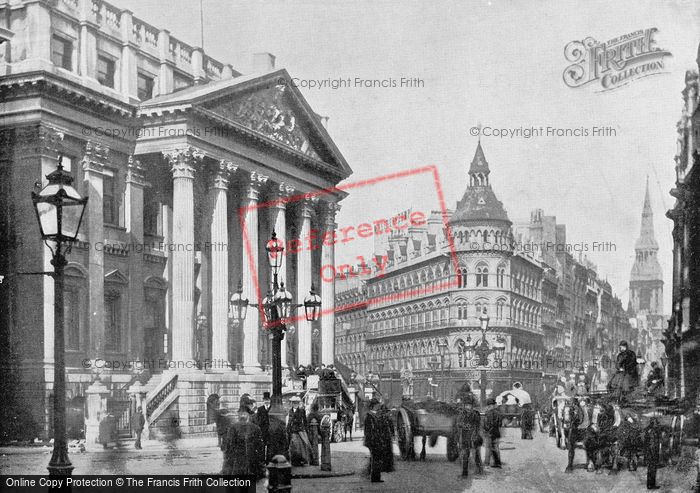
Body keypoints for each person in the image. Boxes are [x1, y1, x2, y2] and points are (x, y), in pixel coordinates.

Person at [222, 406, 265, 478]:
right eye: (240, 414)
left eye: (244, 414)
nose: (242, 416)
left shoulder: (255, 428)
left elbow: (260, 446)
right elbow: (229, 445)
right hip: (238, 460)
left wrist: (260, 461)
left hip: (252, 459)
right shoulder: (233, 428)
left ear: (248, 415)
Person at [458, 393, 483, 477]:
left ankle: (479, 470)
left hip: (473, 436)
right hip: (465, 437)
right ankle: (464, 473)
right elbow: (458, 423)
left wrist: (473, 430)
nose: (468, 407)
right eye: (466, 405)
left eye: (469, 405)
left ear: (472, 406)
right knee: (465, 455)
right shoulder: (462, 414)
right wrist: (463, 425)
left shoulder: (476, 414)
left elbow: (478, 425)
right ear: (464, 406)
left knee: (476, 454)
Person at [287, 395, 312, 466]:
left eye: (296, 403)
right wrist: (288, 429)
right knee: (294, 446)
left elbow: (304, 421)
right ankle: (295, 461)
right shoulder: (290, 411)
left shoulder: (302, 411)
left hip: (300, 430)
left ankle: (303, 460)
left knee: (303, 445)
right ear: (292, 403)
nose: (295, 404)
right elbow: (289, 421)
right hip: (293, 431)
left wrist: (306, 430)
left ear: (298, 403)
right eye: (294, 403)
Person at [364, 398, 383, 483]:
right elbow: (369, 431)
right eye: (377, 405)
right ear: (374, 406)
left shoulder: (374, 415)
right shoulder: (370, 416)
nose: (379, 406)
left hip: (375, 441)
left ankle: (376, 477)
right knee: (376, 459)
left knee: (376, 459)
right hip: (373, 441)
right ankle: (375, 478)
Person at [483, 397, 502, 468]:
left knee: (488, 448)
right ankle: (497, 463)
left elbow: (487, 424)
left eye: (489, 405)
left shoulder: (488, 413)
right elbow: (500, 424)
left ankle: (486, 463)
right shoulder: (498, 413)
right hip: (496, 433)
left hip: (489, 433)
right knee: (495, 448)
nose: (488, 407)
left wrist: (486, 430)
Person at [643, 417, 662, 489]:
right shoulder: (653, 431)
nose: (657, 425)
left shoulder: (648, 429)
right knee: (652, 470)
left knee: (650, 470)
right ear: (653, 423)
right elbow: (652, 444)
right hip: (652, 454)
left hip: (648, 454)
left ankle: (649, 485)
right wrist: (655, 456)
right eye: (656, 423)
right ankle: (651, 485)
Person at [378, 404, 394, 472]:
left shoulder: (380, 418)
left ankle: (385, 467)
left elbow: (391, 427)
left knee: (385, 451)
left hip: (384, 436)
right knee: (385, 451)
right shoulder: (385, 418)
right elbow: (391, 427)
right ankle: (386, 467)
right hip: (384, 436)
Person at [255, 392, 271, 461]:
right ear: (263, 400)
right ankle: (262, 460)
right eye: (265, 400)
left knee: (270, 445)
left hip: (270, 430)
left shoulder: (272, 408)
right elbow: (258, 420)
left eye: (267, 399)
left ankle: (268, 460)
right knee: (262, 445)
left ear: (269, 400)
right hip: (263, 430)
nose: (266, 401)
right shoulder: (260, 409)